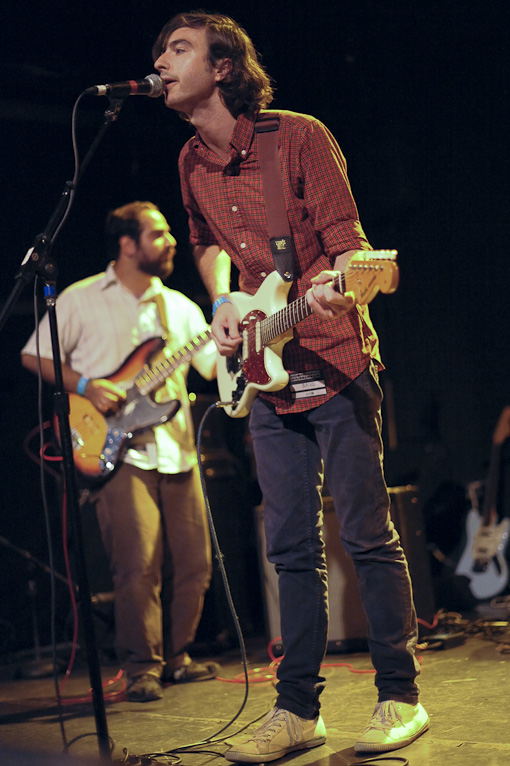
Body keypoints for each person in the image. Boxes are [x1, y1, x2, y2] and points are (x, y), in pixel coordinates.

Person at [151, 11, 430, 757]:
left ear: (222, 68)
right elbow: (208, 244)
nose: (161, 61)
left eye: (177, 49)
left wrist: (343, 286)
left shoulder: (297, 136)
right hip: (264, 375)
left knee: (368, 535)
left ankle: (399, 697)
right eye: (160, 52)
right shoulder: (188, 162)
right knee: (288, 548)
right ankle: (298, 710)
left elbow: (354, 251)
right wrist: (222, 304)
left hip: (335, 358)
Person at [21, 200, 219, 702]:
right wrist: (87, 383)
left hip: (177, 450)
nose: (172, 240)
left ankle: (177, 657)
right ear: (128, 245)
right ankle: (140, 668)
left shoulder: (181, 307)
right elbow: (32, 354)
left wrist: (251, 333)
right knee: (138, 564)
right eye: (158, 233)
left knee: (195, 562)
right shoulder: (81, 298)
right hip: (118, 450)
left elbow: (214, 368)